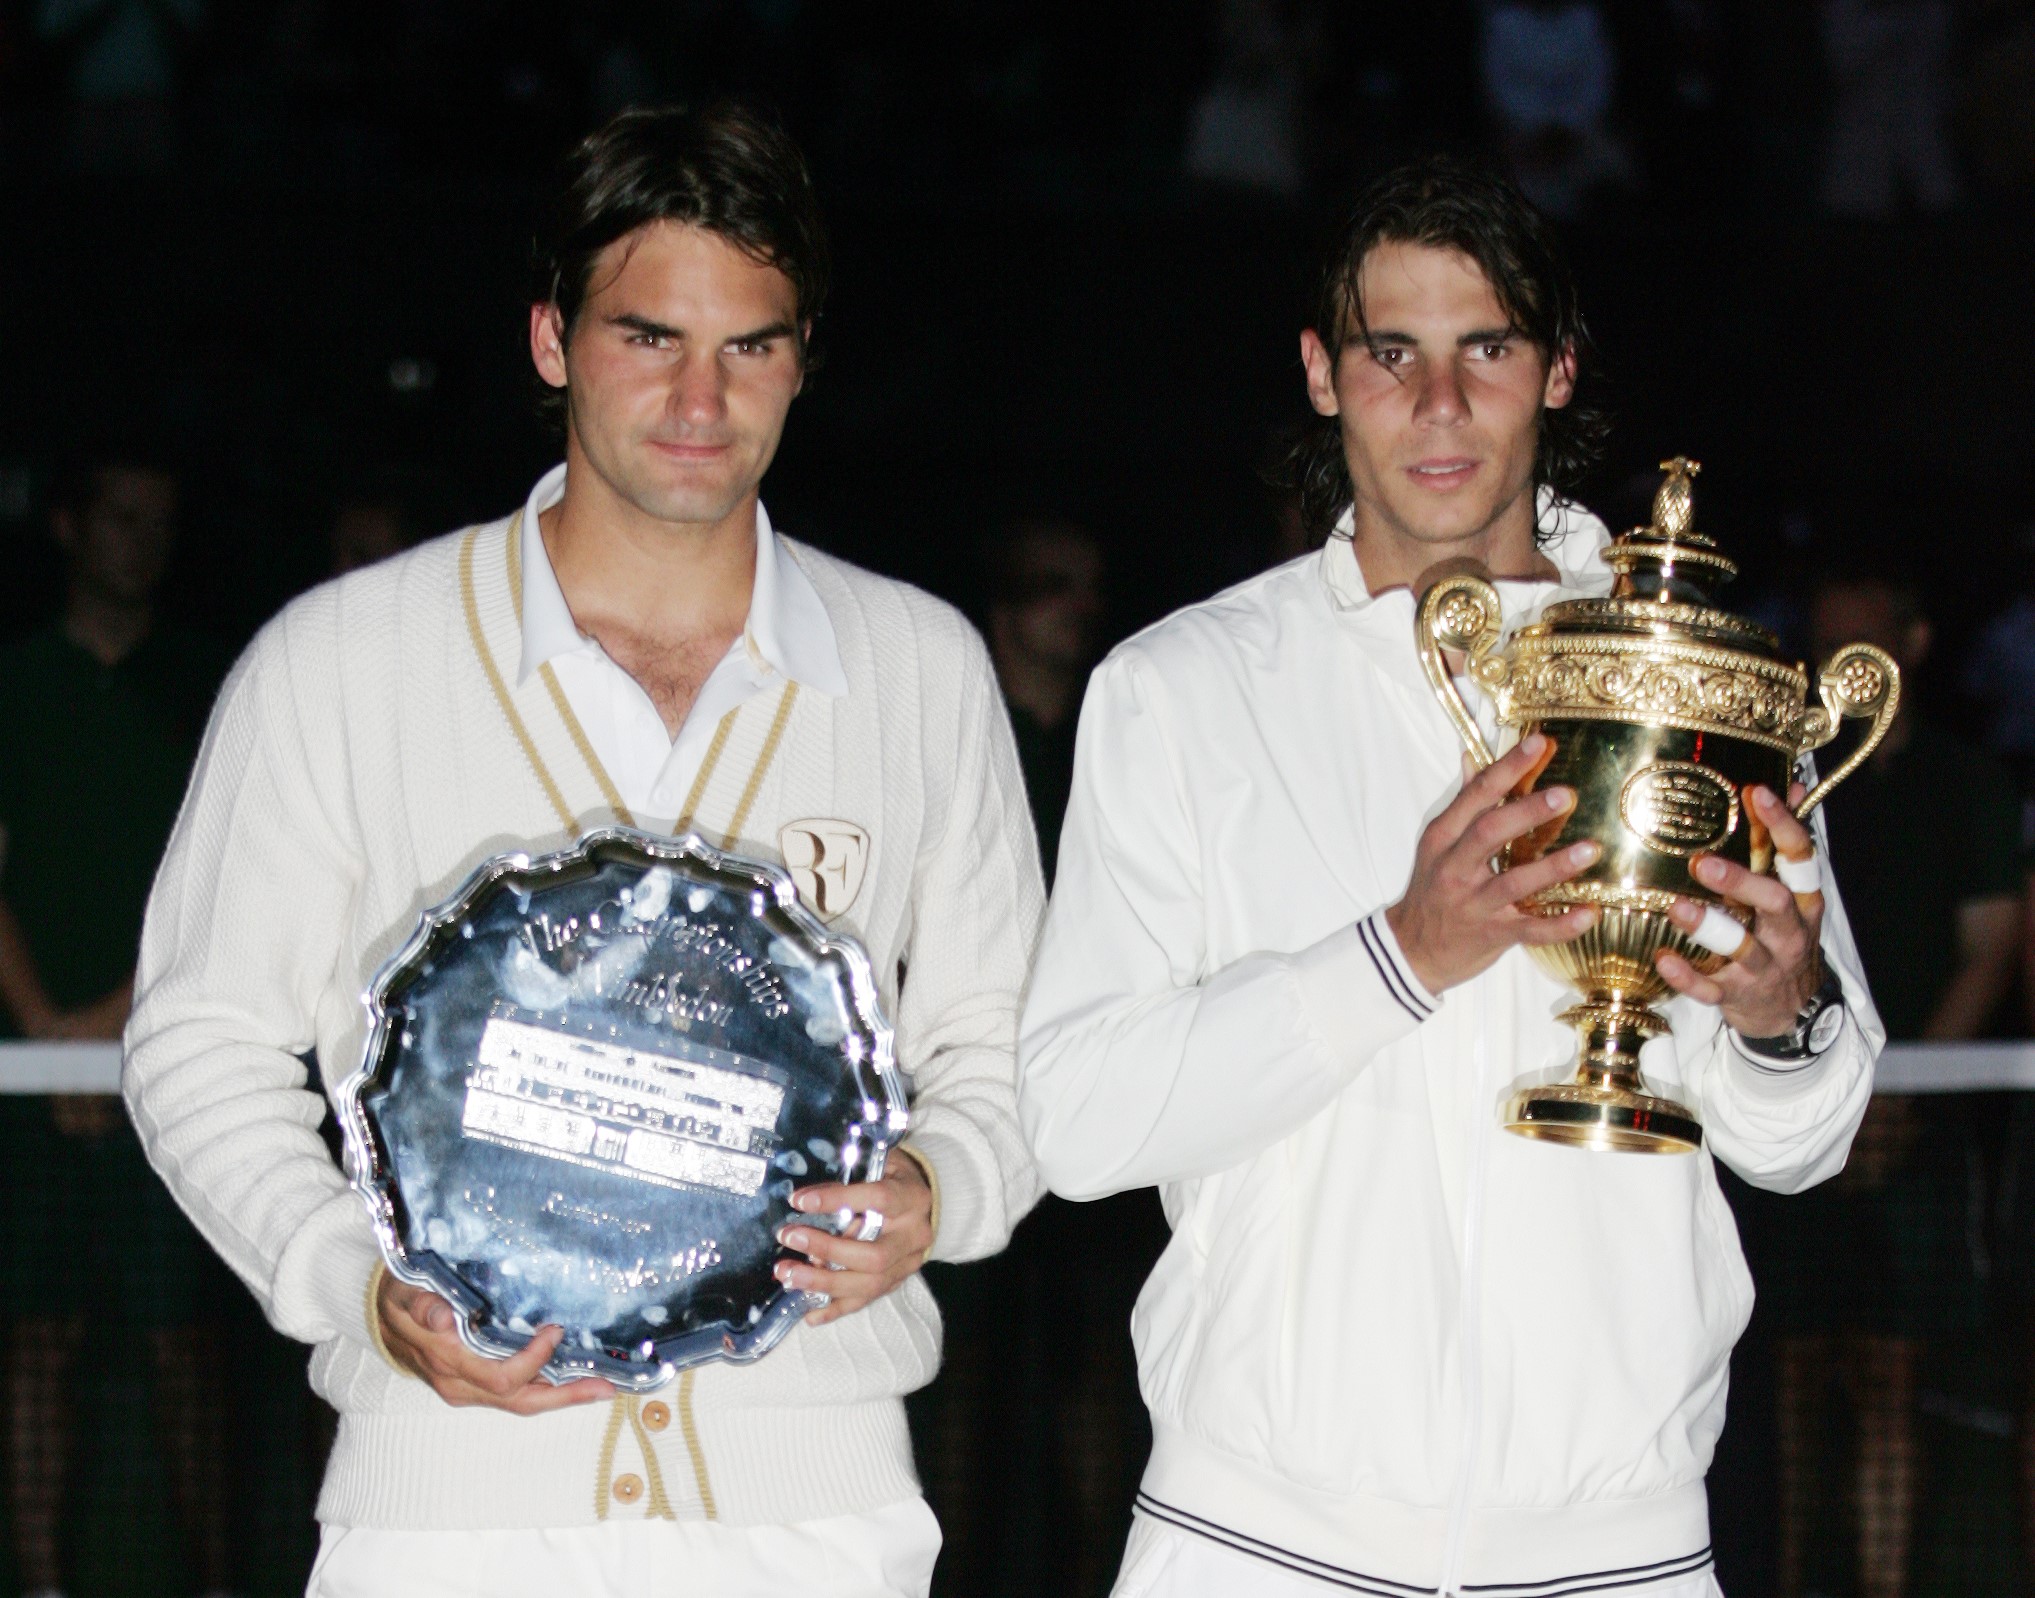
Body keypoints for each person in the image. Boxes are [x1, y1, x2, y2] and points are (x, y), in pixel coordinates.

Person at [124, 103, 1042, 1598]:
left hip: (809, 1503)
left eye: (749, 344)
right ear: (551, 339)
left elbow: (1003, 1043)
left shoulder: (918, 666)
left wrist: (944, 1181)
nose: (700, 395)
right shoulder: (338, 660)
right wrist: (352, 1284)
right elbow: (197, 1043)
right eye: (647, 337)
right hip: (451, 1502)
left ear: (804, 356)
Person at [1018, 157, 1882, 1598]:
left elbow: (1802, 1139)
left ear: (1553, 371)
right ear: (1318, 373)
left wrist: (1777, 1012)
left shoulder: (1698, 688)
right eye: (1388, 353)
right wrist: (1400, 953)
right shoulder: (1178, 689)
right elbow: (1079, 1120)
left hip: (1617, 1555)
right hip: (1254, 1541)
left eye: (1484, 348)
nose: (1437, 406)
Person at [1754, 561, 2016, 1598]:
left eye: (1858, 639)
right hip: (1788, 1120)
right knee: (1792, 1375)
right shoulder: (1776, 781)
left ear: (1910, 644)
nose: (1834, 664)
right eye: (1820, 641)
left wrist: (1898, 1096)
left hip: (1917, 1133)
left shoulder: (1966, 785)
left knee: (1889, 1374)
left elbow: (1990, 948)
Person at [0, 447, 234, 1598]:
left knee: (176, 1339)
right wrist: (44, 1034)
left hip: (168, 1068)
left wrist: (108, 1029)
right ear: (67, 525)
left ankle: (214, 1575)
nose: (141, 540)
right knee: (34, 1336)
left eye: (161, 520)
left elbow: (225, 882)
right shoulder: (16, 682)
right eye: (121, 516)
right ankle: (38, 1579)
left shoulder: (206, 684)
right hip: (26, 1073)